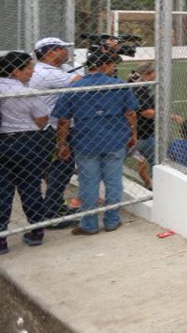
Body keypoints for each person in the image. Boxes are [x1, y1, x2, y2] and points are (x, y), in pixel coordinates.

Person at [52, 51, 138, 235]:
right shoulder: (118, 85)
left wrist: (62, 143)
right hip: (115, 140)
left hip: (86, 141)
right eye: (112, 65)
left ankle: (89, 224)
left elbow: (63, 120)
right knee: (113, 181)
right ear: (104, 66)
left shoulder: (74, 88)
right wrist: (133, 134)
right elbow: (130, 113)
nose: (113, 69)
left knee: (88, 183)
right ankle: (112, 220)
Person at [0, 51, 51, 253]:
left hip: (3, 141)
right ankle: (36, 231)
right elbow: (42, 120)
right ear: (15, 71)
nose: (32, 72)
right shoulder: (27, 92)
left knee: (3, 191)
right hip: (27, 141)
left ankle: (1, 238)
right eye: (29, 68)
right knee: (30, 186)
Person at [30, 37, 81, 227]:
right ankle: (51, 212)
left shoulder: (46, 69)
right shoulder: (48, 73)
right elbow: (82, 82)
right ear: (51, 52)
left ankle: (54, 206)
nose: (67, 52)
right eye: (62, 49)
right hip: (56, 129)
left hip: (49, 128)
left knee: (55, 170)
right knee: (62, 169)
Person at [127, 63, 159, 189]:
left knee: (142, 161)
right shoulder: (140, 89)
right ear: (149, 73)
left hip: (134, 134)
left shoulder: (134, 84)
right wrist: (168, 116)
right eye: (154, 72)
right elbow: (146, 112)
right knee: (157, 163)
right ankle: (157, 187)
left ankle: (149, 184)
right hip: (143, 135)